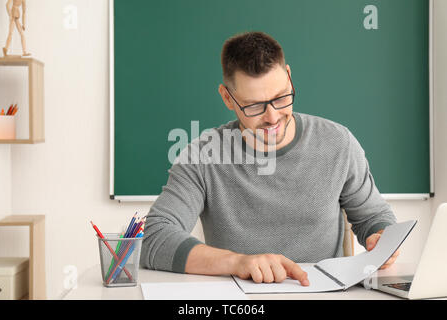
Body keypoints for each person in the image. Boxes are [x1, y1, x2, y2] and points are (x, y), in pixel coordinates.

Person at [140, 31, 398, 285]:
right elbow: (155, 237)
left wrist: (381, 237)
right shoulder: (202, 156)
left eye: (281, 97)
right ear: (227, 98)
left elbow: (373, 218)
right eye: (254, 105)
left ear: (289, 76)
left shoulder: (338, 143)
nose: (273, 117)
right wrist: (239, 263)